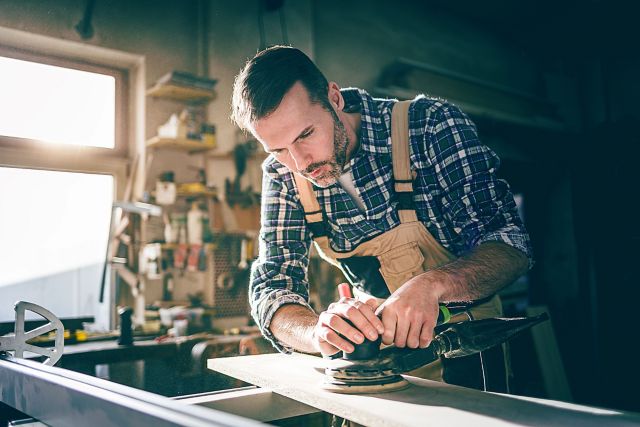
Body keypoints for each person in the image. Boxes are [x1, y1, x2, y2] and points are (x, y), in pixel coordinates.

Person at [231, 45, 532, 392]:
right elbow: (272, 288)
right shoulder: (283, 176)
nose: (300, 163)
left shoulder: (430, 126)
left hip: (468, 349)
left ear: (334, 98)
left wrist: (432, 286)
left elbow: (510, 244)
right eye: (279, 149)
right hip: (375, 365)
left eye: (305, 135)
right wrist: (318, 332)